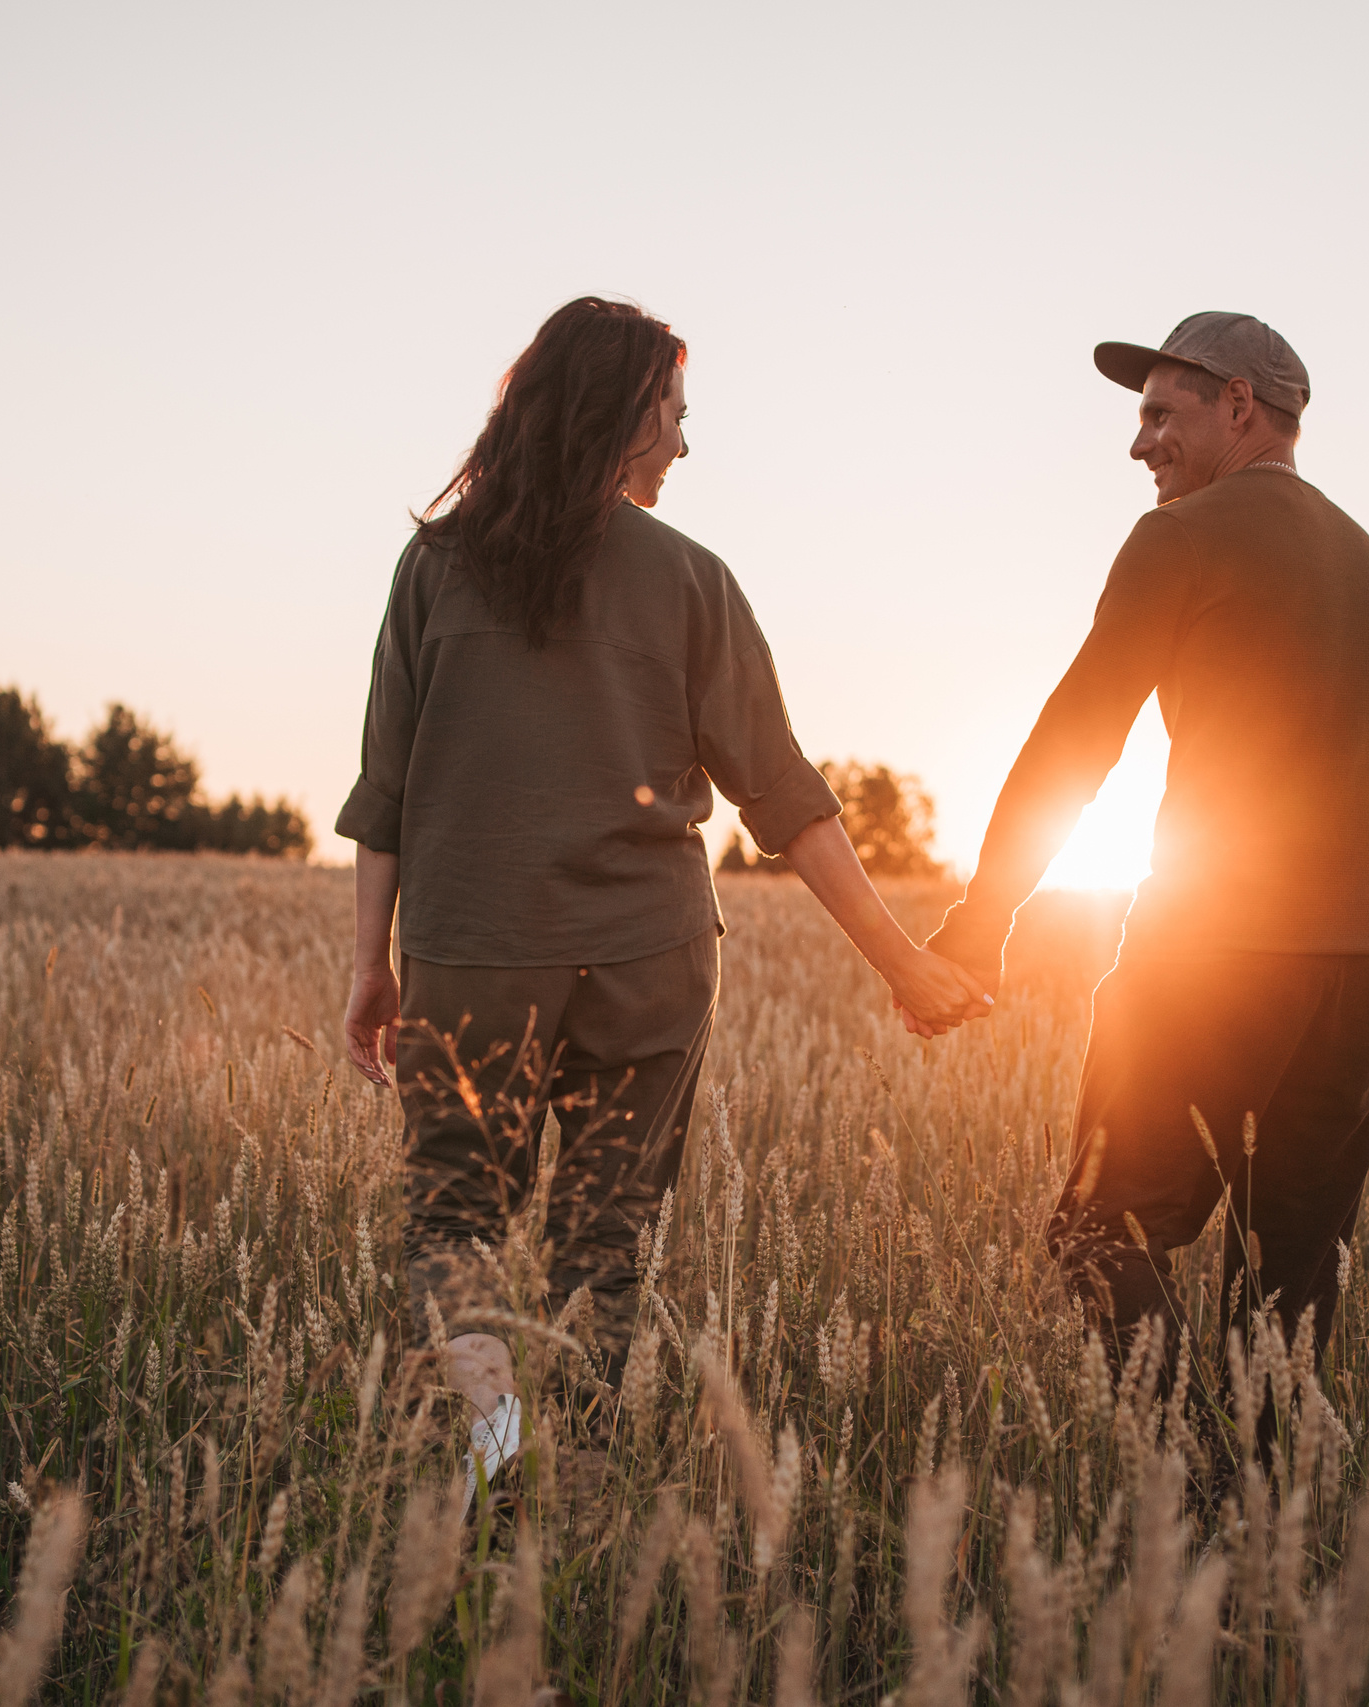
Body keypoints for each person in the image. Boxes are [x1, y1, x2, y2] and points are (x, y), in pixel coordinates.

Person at [337, 297, 991, 1497]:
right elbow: (786, 800)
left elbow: (385, 788)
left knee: (455, 1218)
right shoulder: (693, 580)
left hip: (471, 952)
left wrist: (369, 965)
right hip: (647, 961)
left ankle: (494, 1453)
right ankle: (577, 1485)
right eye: (675, 415)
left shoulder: (433, 564)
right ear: (622, 411)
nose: (685, 445)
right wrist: (899, 961)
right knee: (605, 1238)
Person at [928, 311, 1369, 1394]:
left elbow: (1077, 740)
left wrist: (981, 922)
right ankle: (1261, 1536)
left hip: (1219, 947)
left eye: (1161, 413)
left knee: (1099, 1233)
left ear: (1237, 406)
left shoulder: (1182, 539)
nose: (1138, 442)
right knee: (1287, 1281)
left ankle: (1192, 1500)